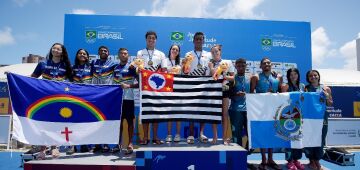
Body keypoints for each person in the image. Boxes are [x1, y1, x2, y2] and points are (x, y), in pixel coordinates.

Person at [30, 43, 73, 159]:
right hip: (44, 99)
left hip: (59, 98)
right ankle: (42, 150)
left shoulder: (66, 65)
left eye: (58, 49)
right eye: (54, 48)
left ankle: (55, 147)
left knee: (56, 123)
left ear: (62, 52)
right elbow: (31, 79)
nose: (55, 50)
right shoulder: (43, 63)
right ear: (51, 50)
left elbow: (72, 83)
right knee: (43, 123)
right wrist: (13, 76)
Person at [250, 57, 282, 170]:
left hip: (274, 111)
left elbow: (281, 93)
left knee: (272, 134)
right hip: (261, 111)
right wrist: (264, 95)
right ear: (260, 66)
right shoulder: (256, 77)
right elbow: (251, 94)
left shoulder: (278, 77)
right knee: (263, 135)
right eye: (264, 63)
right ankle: (263, 159)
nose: (267, 64)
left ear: (271, 64)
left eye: (268, 63)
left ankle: (271, 159)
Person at [137, 31, 167, 145]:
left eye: (153, 38)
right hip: (144, 87)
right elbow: (138, 69)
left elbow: (164, 70)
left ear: (156, 40)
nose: (151, 40)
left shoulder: (161, 54)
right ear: (146, 39)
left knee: (156, 112)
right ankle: (145, 137)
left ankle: (155, 136)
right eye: (149, 38)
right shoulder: (140, 52)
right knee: (145, 112)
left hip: (156, 88)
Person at [183, 32, 212, 144]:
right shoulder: (188, 54)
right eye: (197, 39)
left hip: (204, 85)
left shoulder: (209, 55)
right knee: (191, 110)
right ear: (193, 41)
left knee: (202, 110)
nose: (199, 41)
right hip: (191, 84)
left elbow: (212, 70)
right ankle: (191, 134)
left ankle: (201, 133)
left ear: (204, 41)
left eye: (201, 39)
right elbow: (185, 71)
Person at [66, 48, 93, 155]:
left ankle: (84, 144)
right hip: (74, 98)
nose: (82, 55)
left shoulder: (91, 67)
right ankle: (72, 146)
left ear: (87, 56)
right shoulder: (72, 68)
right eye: (80, 53)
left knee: (85, 122)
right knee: (73, 122)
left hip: (87, 99)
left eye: (84, 53)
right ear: (77, 55)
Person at [304, 70, 333, 170]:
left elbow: (330, 103)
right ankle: (311, 160)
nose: (313, 77)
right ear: (308, 78)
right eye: (310, 76)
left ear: (318, 76)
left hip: (322, 117)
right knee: (309, 138)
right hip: (309, 117)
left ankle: (317, 160)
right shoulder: (305, 88)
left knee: (321, 138)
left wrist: (328, 97)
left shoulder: (326, 88)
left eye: (315, 75)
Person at [112, 48, 138, 154]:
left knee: (130, 122)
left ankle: (130, 144)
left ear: (128, 55)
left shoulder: (132, 68)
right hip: (118, 99)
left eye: (125, 53)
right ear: (118, 55)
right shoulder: (115, 68)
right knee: (119, 123)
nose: (123, 55)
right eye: (121, 53)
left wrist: (129, 85)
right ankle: (118, 144)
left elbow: (141, 83)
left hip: (129, 99)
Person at [91, 45, 117, 153]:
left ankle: (106, 143)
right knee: (96, 119)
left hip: (107, 95)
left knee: (105, 119)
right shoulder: (93, 63)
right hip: (96, 95)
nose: (103, 52)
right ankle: (97, 143)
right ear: (98, 53)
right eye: (101, 50)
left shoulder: (113, 63)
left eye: (105, 51)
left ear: (108, 53)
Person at [208, 44, 235, 144]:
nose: (215, 53)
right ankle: (215, 137)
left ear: (220, 52)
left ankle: (224, 138)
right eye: (213, 52)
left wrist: (224, 75)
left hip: (225, 89)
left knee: (224, 114)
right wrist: (211, 68)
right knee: (214, 114)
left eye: (217, 51)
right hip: (213, 91)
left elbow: (232, 78)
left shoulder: (227, 62)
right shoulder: (210, 63)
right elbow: (212, 76)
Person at [281, 68, 305, 170]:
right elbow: (282, 100)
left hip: (300, 116)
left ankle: (296, 160)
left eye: (295, 74)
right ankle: (290, 161)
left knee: (298, 138)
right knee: (289, 139)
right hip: (289, 117)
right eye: (291, 74)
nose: (293, 76)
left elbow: (305, 99)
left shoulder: (302, 86)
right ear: (288, 76)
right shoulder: (286, 86)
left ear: (298, 75)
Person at [165, 44, 182, 143]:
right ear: (170, 50)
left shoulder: (181, 63)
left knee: (178, 113)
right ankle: (169, 135)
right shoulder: (165, 60)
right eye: (173, 49)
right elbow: (162, 73)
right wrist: (170, 71)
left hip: (178, 89)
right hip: (167, 90)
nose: (175, 51)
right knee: (169, 113)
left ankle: (178, 134)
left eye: (177, 50)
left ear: (178, 52)